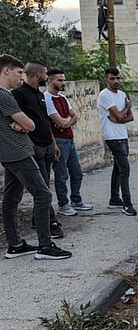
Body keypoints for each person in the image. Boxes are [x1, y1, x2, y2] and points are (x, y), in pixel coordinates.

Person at [0, 54, 71, 260]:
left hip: (11, 151)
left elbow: (22, 124)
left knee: (11, 198)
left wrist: (20, 125)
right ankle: (45, 246)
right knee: (43, 194)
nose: (21, 78)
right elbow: (30, 125)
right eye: (18, 72)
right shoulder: (4, 95)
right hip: (18, 151)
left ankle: (15, 245)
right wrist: (23, 126)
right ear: (7, 70)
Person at [12, 61, 64, 239]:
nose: (47, 76)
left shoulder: (40, 95)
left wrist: (53, 143)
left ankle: (37, 218)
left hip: (47, 146)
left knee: (44, 184)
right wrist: (29, 142)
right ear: (38, 74)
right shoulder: (18, 94)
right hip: (33, 149)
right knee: (43, 190)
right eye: (45, 73)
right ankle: (51, 223)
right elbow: (15, 122)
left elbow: (44, 120)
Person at [44, 68, 93, 216]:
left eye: (63, 80)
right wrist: (65, 122)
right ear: (50, 80)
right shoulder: (47, 98)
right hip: (58, 141)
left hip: (69, 139)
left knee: (77, 172)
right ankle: (63, 204)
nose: (63, 82)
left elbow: (74, 117)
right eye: (59, 80)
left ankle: (76, 200)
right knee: (61, 174)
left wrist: (66, 122)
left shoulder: (63, 98)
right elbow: (59, 121)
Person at [97, 67, 136, 216]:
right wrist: (127, 107)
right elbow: (120, 116)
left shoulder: (122, 94)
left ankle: (114, 198)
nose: (116, 81)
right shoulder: (105, 95)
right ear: (106, 79)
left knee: (118, 168)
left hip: (122, 135)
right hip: (112, 137)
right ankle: (127, 204)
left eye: (118, 78)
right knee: (125, 168)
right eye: (112, 78)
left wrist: (120, 117)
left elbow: (128, 118)